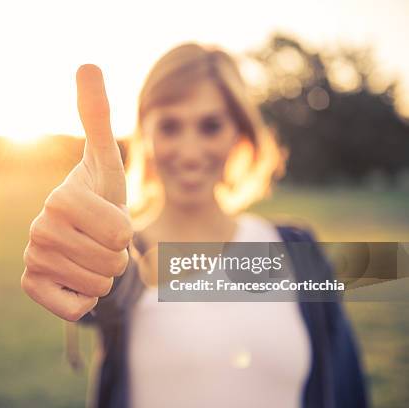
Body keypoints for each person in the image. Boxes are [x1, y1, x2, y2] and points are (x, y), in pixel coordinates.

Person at [21, 43, 368, 408]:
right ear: (147, 136)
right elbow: (110, 292)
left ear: (239, 133)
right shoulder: (125, 256)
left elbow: (346, 387)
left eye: (210, 126)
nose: (189, 151)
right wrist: (82, 250)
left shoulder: (298, 250)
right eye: (170, 127)